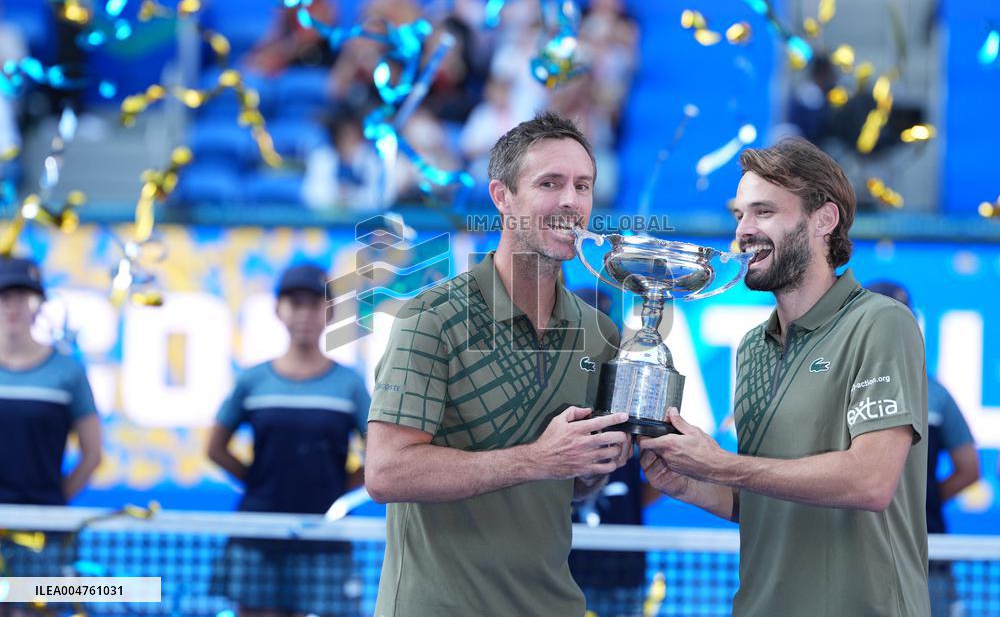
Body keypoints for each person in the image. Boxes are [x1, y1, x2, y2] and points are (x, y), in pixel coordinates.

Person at [639, 138, 930, 615]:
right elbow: (762, 499)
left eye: (764, 212)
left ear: (824, 220)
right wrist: (691, 483)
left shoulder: (881, 322)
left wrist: (721, 464)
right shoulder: (752, 346)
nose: (744, 232)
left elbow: (871, 482)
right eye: (738, 215)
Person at [365, 112, 631, 616]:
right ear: (502, 197)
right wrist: (538, 458)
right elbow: (386, 472)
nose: (570, 201)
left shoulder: (601, 335)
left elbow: (567, 486)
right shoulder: (431, 319)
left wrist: (595, 466)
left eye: (583, 185)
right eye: (548, 183)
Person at [207, 262, 371, 617]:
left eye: (315, 304)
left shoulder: (349, 385)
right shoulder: (252, 381)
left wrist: (337, 490)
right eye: (295, 303)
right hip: (257, 534)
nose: (305, 314)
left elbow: (378, 454)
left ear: (330, 312)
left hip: (324, 536)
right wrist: (258, 482)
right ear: (278, 310)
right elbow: (215, 448)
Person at [866, 279, 980, 617]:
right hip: (869, 552)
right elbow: (969, 468)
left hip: (923, 551)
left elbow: (969, 469)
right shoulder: (937, 393)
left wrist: (917, 503)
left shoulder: (937, 395)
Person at [0, 255, 102, 595]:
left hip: (44, 529)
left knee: (32, 607)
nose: (12, 307)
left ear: (39, 304)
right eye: (4, 297)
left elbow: (92, 454)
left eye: (23, 296)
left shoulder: (68, 373)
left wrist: (51, 504)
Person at [568, 287, 661, 617]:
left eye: (607, 325)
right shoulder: (558, 394)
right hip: (562, 566)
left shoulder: (636, 396)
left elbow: (655, 476)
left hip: (622, 569)